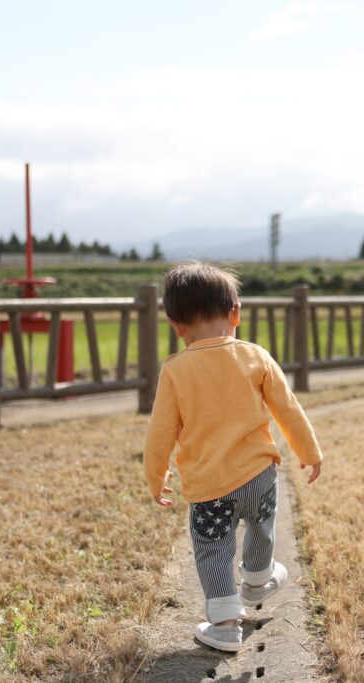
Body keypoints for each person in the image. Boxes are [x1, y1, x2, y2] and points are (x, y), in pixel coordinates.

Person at [143, 262, 323, 652]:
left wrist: (155, 476)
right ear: (235, 313)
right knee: (261, 526)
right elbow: (288, 409)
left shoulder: (175, 371)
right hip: (259, 474)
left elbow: (160, 433)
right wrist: (309, 452)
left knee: (214, 548)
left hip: (209, 486)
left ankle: (224, 625)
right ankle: (258, 579)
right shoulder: (255, 356)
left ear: (175, 325)